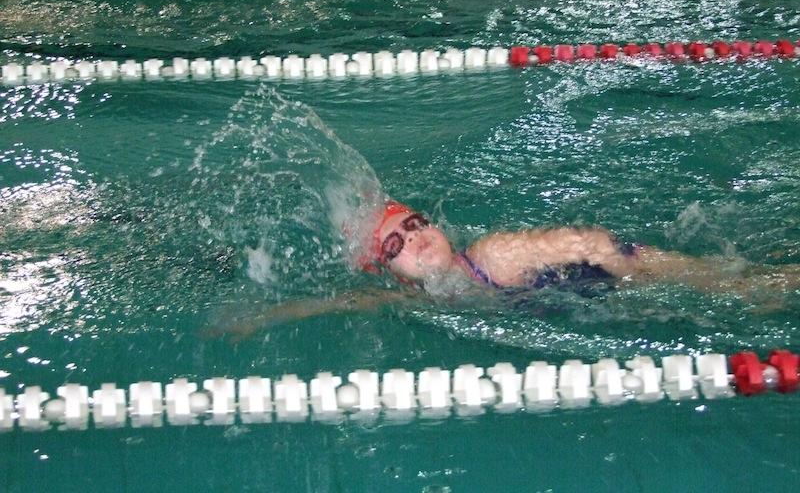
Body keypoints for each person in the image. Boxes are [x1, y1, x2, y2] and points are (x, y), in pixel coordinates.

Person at [210, 199, 798, 340]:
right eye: (395, 244)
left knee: (754, 289)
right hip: (588, 301)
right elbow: (341, 302)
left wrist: (649, 272)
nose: (414, 237)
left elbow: (591, 242)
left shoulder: (490, 257)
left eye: (415, 223)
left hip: (621, 271)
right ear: (392, 273)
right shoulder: (421, 299)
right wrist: (256, 320)